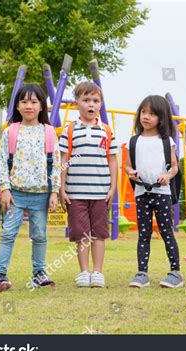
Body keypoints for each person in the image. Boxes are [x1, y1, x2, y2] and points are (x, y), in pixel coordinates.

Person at [0, 83, 60, 292]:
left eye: (34, 101)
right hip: (15, 194)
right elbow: (2, 161)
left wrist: (55, 191)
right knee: (8, 234)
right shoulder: (10, 132)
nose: (28, 105)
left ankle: (39, 274)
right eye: (24, 101)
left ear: (41, 106)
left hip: (41, 194)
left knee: (39, 235)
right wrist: (5, 188)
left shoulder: (49, 132)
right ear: (17, 106)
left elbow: (56, 163)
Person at [59, 81, 118, 288]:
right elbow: (64, 160)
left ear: (100, 104)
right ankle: (84, 272)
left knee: (99, 233)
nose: (91, 104)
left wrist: (112, 188)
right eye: (86, 100)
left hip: (101, 193)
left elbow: (112, 160)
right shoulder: (70, 130)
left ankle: (98, 273)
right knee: (81, 234)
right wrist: (61, 188)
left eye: (95, 100)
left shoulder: (107, 131)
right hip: (76, 193)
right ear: (77, 104)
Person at [125, 95, 182, 288]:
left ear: (162, 118)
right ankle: (142, 273)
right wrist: (130, 172)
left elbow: (175, 167)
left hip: (162, 193)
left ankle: (175, 272)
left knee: (167, 232)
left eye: (152, 113)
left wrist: (168, 175)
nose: (146, 117)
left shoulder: (167, 142)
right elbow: (128, 166)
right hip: (141, 193)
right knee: (143, 233)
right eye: (143, 112)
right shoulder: (133, 141)